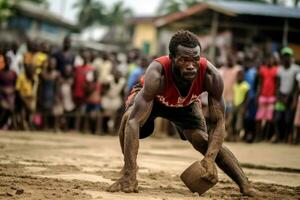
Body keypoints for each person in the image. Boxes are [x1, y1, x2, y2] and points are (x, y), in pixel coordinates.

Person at [107, 30, 256, 196]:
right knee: (128, 118)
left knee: (202, 139)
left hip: (186, 103)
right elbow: (134, 121)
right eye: (184, 60)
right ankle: (128, 172)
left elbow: (218, 123)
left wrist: (209, 159)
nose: (191, 65)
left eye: (195, 59)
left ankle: (245, 184)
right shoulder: (157, 73)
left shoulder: (211, 75)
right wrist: (130, 172)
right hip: (155, 100)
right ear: (171, 58)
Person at [273, 47, 300, 143]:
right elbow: (278, 84)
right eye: (284, 56)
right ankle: (278, 136)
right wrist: (279, 97)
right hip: (281, 96)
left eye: (288, 56)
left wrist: (291, 98)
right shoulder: (280, 70)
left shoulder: (296, 69)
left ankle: (287, 137)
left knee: (288, 119)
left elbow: (296, 86)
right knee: (277, 119)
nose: (286, 58)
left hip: (291, 97)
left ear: (291, 57)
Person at [232, 69, 250, 142]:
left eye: (241, 76)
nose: (239, 77)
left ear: (243, 76)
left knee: (239, 121)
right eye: (238, 76)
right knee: (234, 119)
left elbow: (247, 97)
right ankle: (233, 135)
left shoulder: (245, 85)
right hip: (235, 104)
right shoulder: (235, 85)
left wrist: (245, 107)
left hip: (241, 105)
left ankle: (238, 135)